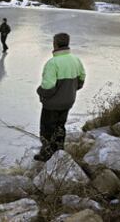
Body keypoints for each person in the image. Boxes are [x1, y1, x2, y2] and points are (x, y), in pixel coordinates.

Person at [34, 33, 85, 162]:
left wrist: (39, 91)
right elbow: (82, 78)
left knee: (47, 129)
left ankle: (46, 155)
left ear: (55, 43)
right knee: (60, 126)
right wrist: (70, 90)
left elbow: (48, 88)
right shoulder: (76, 59)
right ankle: (59, 151)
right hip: (68, 101)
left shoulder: (53, 63)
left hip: (52, 105)